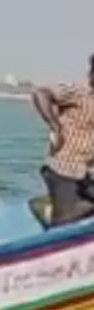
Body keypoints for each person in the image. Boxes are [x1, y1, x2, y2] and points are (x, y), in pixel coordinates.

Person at [31, 56, 94, 226]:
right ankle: (49, 212)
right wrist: (54, 126)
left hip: (86, 172)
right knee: (65, 221)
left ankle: (49, 206)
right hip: (63, 167)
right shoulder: (78, 92)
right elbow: (41, 93)